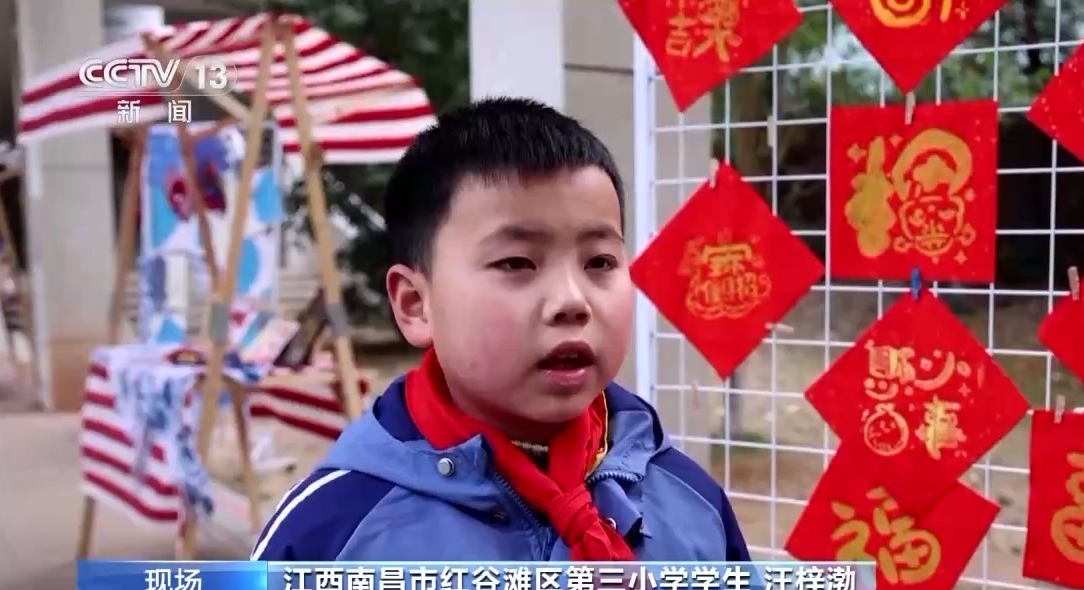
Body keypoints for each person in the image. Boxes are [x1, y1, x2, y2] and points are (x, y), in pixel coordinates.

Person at [251, 97, 753, 564]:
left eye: (600, 261)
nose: (572, 301)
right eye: (516, 262)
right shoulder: (329, 536)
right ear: (416, 305)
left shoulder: (692, 504)